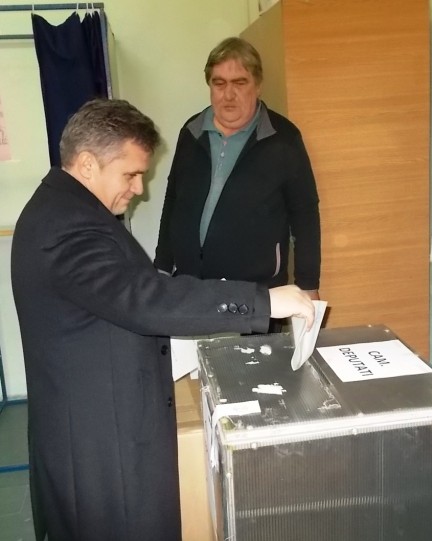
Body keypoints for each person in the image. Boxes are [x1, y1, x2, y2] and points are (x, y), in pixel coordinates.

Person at [10, 98, 315, 541]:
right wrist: (262, 301)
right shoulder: (67, 228)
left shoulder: (70, 211)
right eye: (131, 174)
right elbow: (142, 297)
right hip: (100, 451)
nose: (139, 188)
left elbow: (123, 294)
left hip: (104, 426)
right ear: (88, 164)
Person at [154, 37, 321, 326]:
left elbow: (305, 214)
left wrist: (308, 284)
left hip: (256, 293)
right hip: (192, 288)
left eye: (239, 83)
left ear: (258, 85)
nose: (228, 94)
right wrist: (162, 268)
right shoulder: (192, 131)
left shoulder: (283, 139)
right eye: (219, 83)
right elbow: (173, 201)